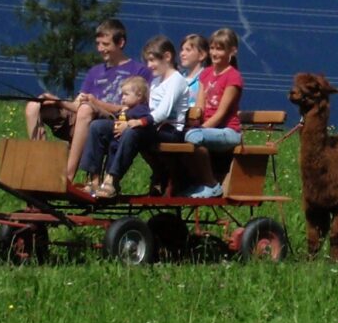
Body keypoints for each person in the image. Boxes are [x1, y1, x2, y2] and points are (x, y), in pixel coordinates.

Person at [25, 19, 151, 182]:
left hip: (113, 121)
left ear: (120, 42)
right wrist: (57, 101)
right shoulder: (95, 72)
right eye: (98, 44)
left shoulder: (139, 71)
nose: (100, 49)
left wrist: (95, 103)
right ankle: (42, 169)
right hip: (84, 116)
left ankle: (67, 176)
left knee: (86, 109)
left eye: (105, 44)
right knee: (34, 105)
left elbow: (136, 109)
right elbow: (77, 104)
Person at [79, 36, 190, 198]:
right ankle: (93, 179)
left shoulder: (176, 80)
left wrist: (134, 123)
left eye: (152, 60)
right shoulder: (157, 81)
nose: (149, 65)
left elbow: (162, 113)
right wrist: (124, 119)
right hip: (150, 127)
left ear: (167, 57)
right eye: (147, 61)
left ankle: (112, 180)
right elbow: (146, 107)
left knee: (132, 132)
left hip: (169, 131)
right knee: (98, 127)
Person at [184, 28, 244, 198]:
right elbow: (200, 106)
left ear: (232, 51)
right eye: (212, 48)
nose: (214, 53)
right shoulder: (206, 74)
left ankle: (211, 184)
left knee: (193, 137)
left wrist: (199, 129)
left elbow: (221, 114)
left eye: (220, 49)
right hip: (207, 129)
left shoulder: (233, 77)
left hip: (228, 131)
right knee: (180, 135)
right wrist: (192, 121)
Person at [179, 34, 210, 107]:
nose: (182, 53)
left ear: (201, 55)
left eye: (188, 50)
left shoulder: (206, 79)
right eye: (182, 50)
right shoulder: (178, 77)